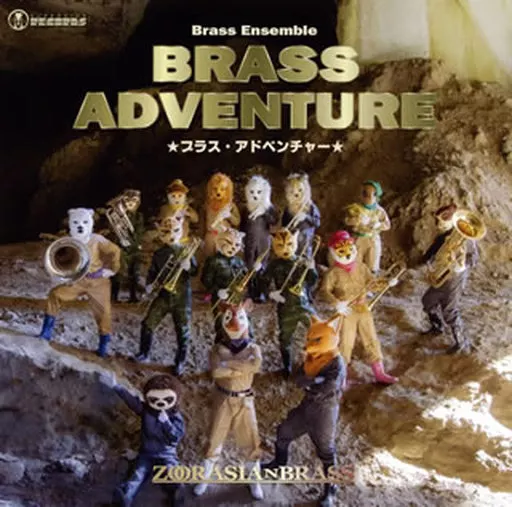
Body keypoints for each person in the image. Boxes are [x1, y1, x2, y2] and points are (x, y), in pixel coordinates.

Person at [263, 314, 346, 507]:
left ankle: (331, 488)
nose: (309, 345)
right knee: (284, 431)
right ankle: (279, 464)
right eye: (310, 339)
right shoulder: (312, 358)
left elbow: (329, 387)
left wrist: (310, 382)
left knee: (326, 450)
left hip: (325, 412)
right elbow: (297, 379)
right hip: (308, 406)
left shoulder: (336, 362)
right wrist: (313, 381)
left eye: (316, 341)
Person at [194, 300, 263, 500]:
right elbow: (216, 372)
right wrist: (241, 366)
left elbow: (255, 366)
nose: (235, 323)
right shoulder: (217, 349)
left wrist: (228, 365)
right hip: (222, 399)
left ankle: (254, 481)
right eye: (229, 318)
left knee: (251, 442)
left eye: (240, 317)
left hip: (245, 400)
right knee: (214, 438)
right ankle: (205, 478)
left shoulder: (254, 348)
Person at [39, 207, 121, 357]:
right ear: (70, 224)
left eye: (84, 222)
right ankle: (46, 331)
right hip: (78, 280)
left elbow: (115, 251)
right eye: (76, 222)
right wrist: (60, 273)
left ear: (90, 224)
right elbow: (62, 258)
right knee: (55, 294)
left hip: (98, 281)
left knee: (103, 312)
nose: (80, 226)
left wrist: (110, 270)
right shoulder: (68, 241)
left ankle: (103, 343)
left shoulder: (97, 240)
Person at [320, 230, 398, 384]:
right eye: (341, 251)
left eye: (349, 249)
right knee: (345, 343)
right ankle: (341, 376)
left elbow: (372, 283)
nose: (347, 254)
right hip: (346, 311)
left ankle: (379, 372)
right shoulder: (332, 273)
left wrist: (387, 283)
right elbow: (324, 291)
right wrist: (336, 303)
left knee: (371, 338)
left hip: (363, 308)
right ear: (334, 252)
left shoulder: (361, 267)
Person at [99, 372, 185, 507]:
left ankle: (178, 493)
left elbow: (176, 437)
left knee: (172, 472)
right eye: (154, 399)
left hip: (166, 453)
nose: (161, 403)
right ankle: (124, 497)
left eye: (167, 399)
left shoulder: (175, 417)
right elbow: (132, 401)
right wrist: (116, 386)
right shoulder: (147, 410)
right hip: (147, 453)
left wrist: (167, 424)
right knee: (137, 475)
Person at [136, 216, 198, 376]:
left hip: (182, 297)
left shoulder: (185, 251)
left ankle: (180, 362)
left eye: (175, 231)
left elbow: (195, 272)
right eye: (166, 232)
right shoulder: (159, 253)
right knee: (148, 323)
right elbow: (153, 271)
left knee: (183, 330)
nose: (171, 235)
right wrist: (149, 284)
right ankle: (144, 353)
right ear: (160, 234)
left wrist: (189, 266)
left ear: (181, 231)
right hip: (164, 294)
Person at [421, 204, 480, 354]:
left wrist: (461, 266)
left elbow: (474, 259)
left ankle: (461, 342)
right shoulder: (444, 235)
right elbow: (433, 251)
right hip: (442, 274)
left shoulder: (465, 237)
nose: (439, 223)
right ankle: (437, 327)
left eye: (443, 219)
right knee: (428, 301)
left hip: (455, 278)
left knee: (449, 311)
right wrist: (427, 262)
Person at [343, 180, 390, 273]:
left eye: (370, 195)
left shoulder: (379, 211)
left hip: (372, 239)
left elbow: (387, 225)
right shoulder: (356, 208)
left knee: (372, 264)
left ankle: (372, 278)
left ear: (376, 196)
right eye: (365, 194)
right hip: (358, 238)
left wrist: (378, 225)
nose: (367, 197)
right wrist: (356, 220)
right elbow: (346, 221)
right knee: (355, 263)